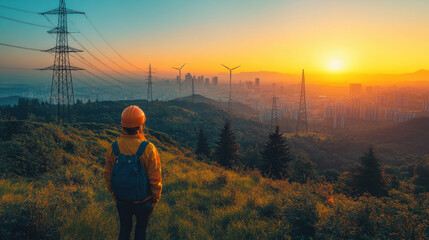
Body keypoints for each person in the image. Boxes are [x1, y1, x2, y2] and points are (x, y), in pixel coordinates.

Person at [104, 105, 162, 240]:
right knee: (141, 231)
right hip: (144, 201)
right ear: (141, 125)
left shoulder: (113, 148)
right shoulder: (148, 148)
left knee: (124, 230)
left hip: (122, 201)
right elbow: (155, 177)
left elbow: (108, 176)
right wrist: (155, 198)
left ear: (122, 125)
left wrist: (115, 195)